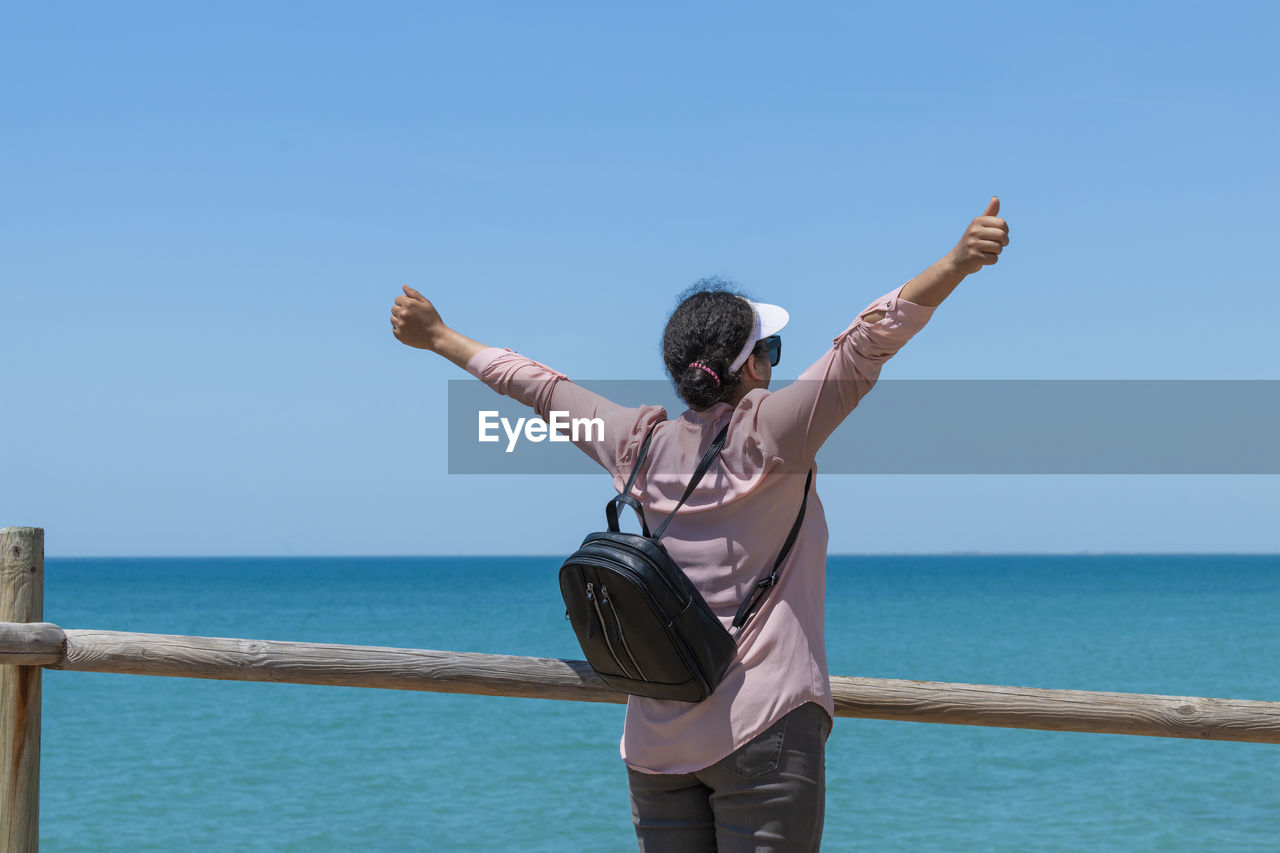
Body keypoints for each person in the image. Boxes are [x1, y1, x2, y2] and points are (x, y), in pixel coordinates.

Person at [390, 198, 1010, 852]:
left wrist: (439, 336)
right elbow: (864, 343)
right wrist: (957, 262)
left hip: (656, 739)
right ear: (749, 366)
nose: (774, 361)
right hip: (763, 726)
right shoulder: (774, 431)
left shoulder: (635, 440)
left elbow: (537, 386)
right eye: (770, 350)